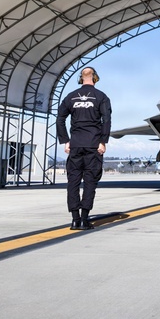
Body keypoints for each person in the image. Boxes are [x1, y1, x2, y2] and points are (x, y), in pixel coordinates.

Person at [56, 66, 112, 229]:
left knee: (72, 181)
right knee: (90, 181)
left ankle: (75, 219)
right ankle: (84, 219)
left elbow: (60, 119)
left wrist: (66, 140)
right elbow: (106, 121)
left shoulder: (70, 97)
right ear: (95, 78)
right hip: (93, 145)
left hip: (75, 145)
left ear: (81, 78)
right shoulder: (101, 97)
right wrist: (103, 141)